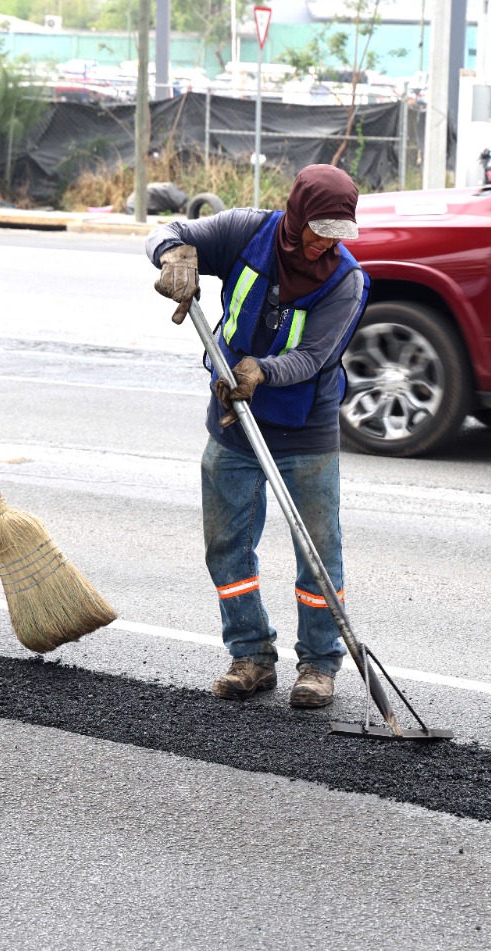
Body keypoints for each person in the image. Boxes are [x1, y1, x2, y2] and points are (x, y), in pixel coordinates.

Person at [146, 165, 369, 709]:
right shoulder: (247, 231)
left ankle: (319, 664)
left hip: (304, 429)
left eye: (339, 235)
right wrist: (173, 256)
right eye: (319, 231)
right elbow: (163, 231)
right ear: (296, 216)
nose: (325, 246)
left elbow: (315, 356)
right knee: (227, 544)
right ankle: (250, 654)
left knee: (317, 551)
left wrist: (261, 372)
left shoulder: (347, 281)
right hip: (232, 423)